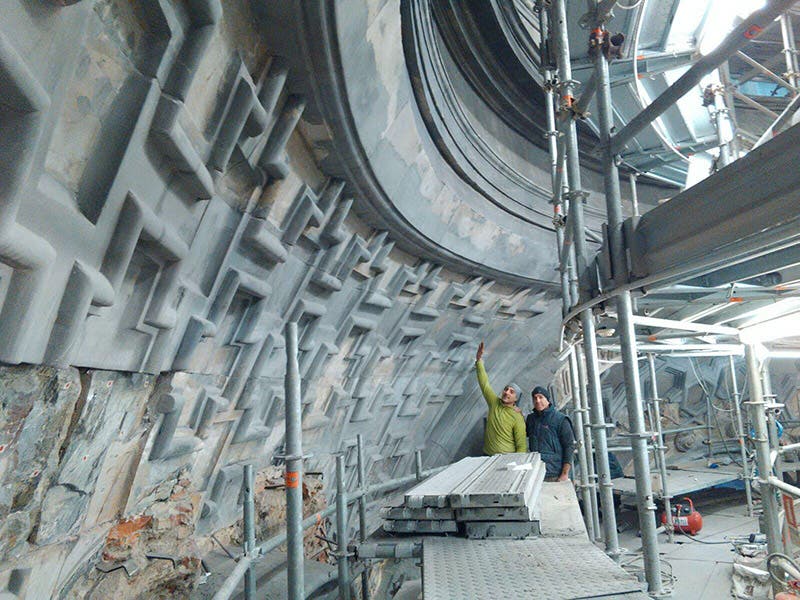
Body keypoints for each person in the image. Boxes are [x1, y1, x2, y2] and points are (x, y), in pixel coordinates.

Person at [474, 342, 527, 456]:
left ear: (515, 398)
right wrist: (479, 361)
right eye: (506, 389)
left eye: (511, 392)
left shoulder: (517, 417)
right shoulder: (494, 402)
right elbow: (485, 384)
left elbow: (521, 445)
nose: (506, 392)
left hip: (505, 459)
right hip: (487, 456)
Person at [526, 386, 575, 481]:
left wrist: (564, 474)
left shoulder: (561, 419)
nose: (538, 400)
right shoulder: (531, 419)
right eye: (535, 398)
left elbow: (569, 446)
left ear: (547, 399)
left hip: (555, 473)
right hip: (536, 471)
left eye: (541, 397)